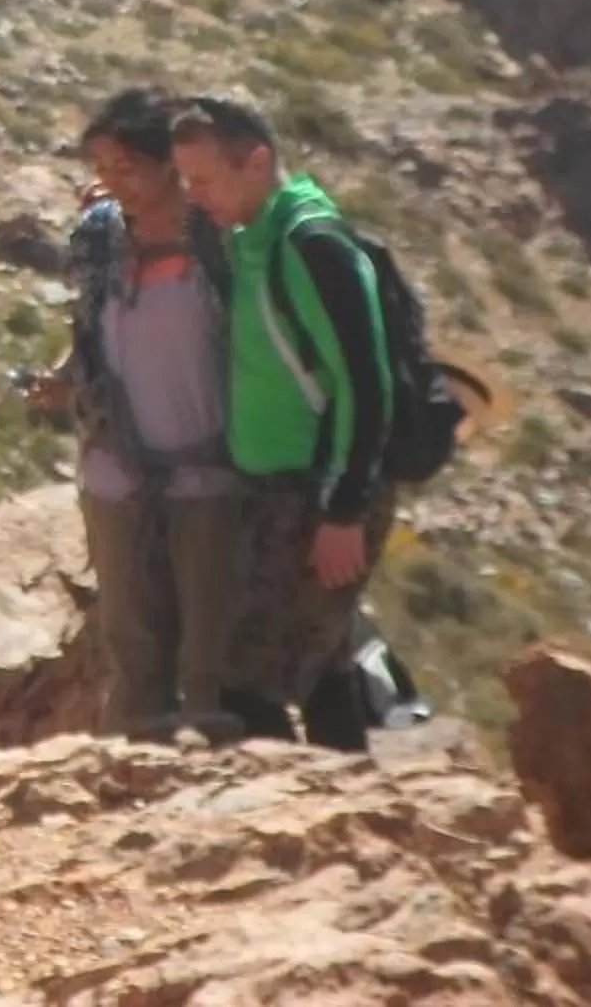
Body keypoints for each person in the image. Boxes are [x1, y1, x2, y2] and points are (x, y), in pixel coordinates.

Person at [168, 94, 400, 752]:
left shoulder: (312, 242)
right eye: (187, 180)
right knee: (321, 668)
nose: (196, 194)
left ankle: (292, 824)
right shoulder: (251, 233)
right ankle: (361, 823)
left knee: (246, 681)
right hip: (278, 492)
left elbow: (365, 380)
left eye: (206, 179)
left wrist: (345, 510)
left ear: (258, 162)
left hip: (321, 493)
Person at [33, 89, 242, 740]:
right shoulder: (100, 237)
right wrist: (66, 379)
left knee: (210, 647)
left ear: (168, 166)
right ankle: (129, 776)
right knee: (131, 642)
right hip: (114, 466)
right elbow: (93, 322)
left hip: (207, 471)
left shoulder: (221, 243)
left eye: (125, 167)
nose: (110, 182)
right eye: (102, 168)